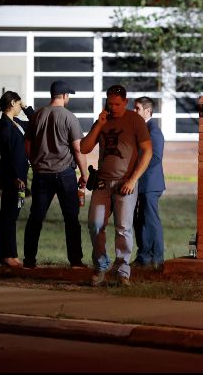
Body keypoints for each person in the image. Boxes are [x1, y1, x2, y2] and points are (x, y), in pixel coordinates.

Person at [81, 84, 152, 286]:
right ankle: (101, 265)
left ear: (126, 102)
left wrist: (132, 179)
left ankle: (123, 271)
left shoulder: (135, 120)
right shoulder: (103, 120)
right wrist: (98, 125)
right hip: (102, 183)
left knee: (123, 228)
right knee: (95, 224)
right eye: (110, 103)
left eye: (117, 104)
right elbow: (85, 148)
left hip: (125, 184)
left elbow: (148, 151)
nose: (113, 107)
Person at [23, 80, 89, 269]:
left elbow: (27, 144)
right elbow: (78, 149)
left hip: (41, 174)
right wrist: (84, 174)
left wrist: (34, 162)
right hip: (65, 174)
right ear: (65, 96)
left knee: (36, 217)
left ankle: (29, 260)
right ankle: (75, 261)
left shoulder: (37, 116)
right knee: (71, 219)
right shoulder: (69, 117)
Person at [0, 91, 34, 268]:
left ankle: (6, 253)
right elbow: (8, 155)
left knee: (12, 213)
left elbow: (34, 123)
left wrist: (26, 107)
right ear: (11, 103)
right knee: (9, 214)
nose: (20, 107)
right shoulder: (4, 126)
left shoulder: (14, 123)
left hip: (19, 175)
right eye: (18, 104)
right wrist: (15, 178)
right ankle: (8, 254)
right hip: (12, 177)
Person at [131, 97, 166, 271]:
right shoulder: (140, 129)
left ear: (147, 111)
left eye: (137, 108)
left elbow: (156, 158)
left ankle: (158, 259)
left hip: (150, 183)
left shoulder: (154, 131)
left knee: (151, 220)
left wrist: (137, 171)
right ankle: (143, 257)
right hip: (140, 183)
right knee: (140, 220)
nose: (134, 111)